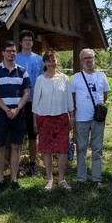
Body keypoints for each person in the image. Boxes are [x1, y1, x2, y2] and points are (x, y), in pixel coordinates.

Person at [0, 40, 31, 192]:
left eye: (13, 51)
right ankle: (0, 179)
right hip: (2, 113)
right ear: (3, 53)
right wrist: (7, 109)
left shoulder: (22, 71)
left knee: (16, 146)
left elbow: (27, 92)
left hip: (18, 114)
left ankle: (13, 179)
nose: (11, 53)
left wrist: (17, 109)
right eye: (8, 51)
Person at [31, 49, 75, 190]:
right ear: (44, 63)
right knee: (47, 150)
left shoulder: (64, 78)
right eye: (48, 61)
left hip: (62, 118)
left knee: (63, 149)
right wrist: (34, 122)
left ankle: (61, 179)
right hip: (45, 118)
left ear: (57, 61)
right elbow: (35, 103)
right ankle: (49, 179)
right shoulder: (40, 80)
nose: (51, 63)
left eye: (53, 60)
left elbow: (69, 100)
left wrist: (72, 117)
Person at [70, 48, 110, 188]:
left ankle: (96, 178)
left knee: (97, 148)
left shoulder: (102, 76)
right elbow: (73, 98)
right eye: (85, 58)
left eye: (90, 57)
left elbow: (105, 95)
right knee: (81, 148)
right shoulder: (76, 77)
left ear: (94, 59)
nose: (88, 60)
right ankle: (81, 179)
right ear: (81, 61)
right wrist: (73, 116)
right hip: (81, 118)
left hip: (98, 118)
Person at [15, 30, 44, 176]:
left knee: (33, 135)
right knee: (18, 135)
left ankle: (32, 165)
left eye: (29, 40)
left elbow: (43, 79)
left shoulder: (39, 59)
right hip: (18, 101)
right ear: (20, 43)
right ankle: (17, 165)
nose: (27, 42)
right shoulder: (15, 58)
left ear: (32, 42)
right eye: (25, 40)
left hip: (34, 101)